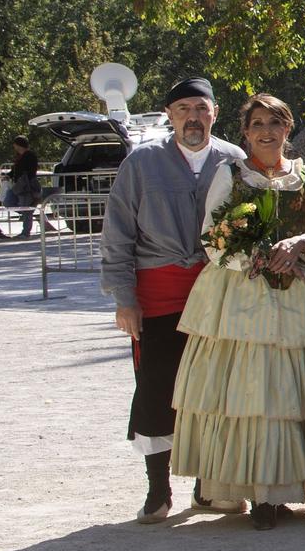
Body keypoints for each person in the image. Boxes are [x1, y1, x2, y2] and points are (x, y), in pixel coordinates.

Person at [171, 93, 305, 531]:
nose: (266, 132)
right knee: (246, 393)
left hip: (294, 292)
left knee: (286, 392)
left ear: (287, 129)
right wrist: (254, 258)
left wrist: (299, 252)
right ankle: (251, 490)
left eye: (275, 123)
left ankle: (281, 491)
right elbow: (211, 237)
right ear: (245, 131)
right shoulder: (230, 173)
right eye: (258, 124)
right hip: (240, 297)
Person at [102, 77, 247, 524]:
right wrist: (124, 299)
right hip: (159, 293)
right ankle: (158, 488)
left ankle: (207, 486)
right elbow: (118, 233)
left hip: (218, 293)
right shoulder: (142, 162)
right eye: (183, 108)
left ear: (215, 114)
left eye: (201, 108)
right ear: (169, 115)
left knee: (213, 390)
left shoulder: (234, 159)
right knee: (156, 389)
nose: (192, 117)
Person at [1, 135, 43, 238]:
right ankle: (26, 214)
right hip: (17, 185)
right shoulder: (19, 156)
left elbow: (29, 171)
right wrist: (8, 175)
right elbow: (16, 170)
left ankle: (26, 232)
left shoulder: (30, 155)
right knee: (8, 202)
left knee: (26, 205)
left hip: (26, 184)